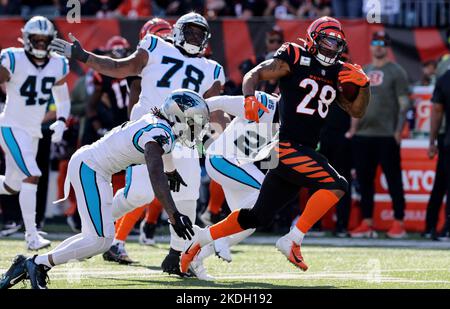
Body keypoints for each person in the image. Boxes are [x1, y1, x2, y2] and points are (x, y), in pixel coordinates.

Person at [181, 16, 370, 273]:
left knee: (255, 216)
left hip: (294, 151)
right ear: (314, 39)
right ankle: (293, 238)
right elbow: (255, 73)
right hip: (288, 147)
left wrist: (364, 86)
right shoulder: (294, 56)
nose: (330, 48)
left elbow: (356, 111)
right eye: (326, 41)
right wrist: (248, 98)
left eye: (336, 44)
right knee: (337, 184)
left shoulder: (338, 71)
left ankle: (200, 240)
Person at [48, 12, 226, 277]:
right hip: (149, 132)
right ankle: (100, 220)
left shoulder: (213, 69)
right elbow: (119, 68)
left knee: (188, 198)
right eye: (190, 31)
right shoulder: (154, 45)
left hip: (184, 139)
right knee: (139, 195)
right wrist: (84, 56)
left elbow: (214, 112)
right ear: (177, 31)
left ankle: (179, 257)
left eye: (200, 34)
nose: (194, 38)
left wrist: (228, 139)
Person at [0, 89, 207, 289]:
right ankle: (36, 264)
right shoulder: (160, 132)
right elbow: (155, 171)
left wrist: (170, 172)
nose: (196, 127)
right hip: (90, 168)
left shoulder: (160, 126)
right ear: (178, 116)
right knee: (100, 239)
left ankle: (35, 263)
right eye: (194, 121)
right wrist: (173, 214)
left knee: (97, 238)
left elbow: (163, 155)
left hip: (95, 168)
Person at [102, 17, 173, 264]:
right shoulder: (147, 58)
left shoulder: (180, 61)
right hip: (147, 131)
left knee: (174, 191)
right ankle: (106, 229)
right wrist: (136, 126)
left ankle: (182, 251)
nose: (167, 43)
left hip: (170, 133)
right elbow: (134, 92)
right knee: (141, 192)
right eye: (162, 38)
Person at [189, 91, 278, 280]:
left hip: (238, 164)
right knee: (265, 196)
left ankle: (196, 256)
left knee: (249, 222)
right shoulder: (266, 104)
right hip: (221, 158)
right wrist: (193, 123)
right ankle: (217, 235)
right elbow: (219, 101)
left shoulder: (292, 124)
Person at [0, 16, 71, 250]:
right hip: (11, 126)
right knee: (32, 173)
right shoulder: (12, 58)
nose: (40, 44)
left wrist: (62, 120)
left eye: (45, 40)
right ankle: (31, 236)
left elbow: (62, 97)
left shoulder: (58, 63)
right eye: (36, 39)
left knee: (13, 185)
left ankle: (31, 233)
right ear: (27, 39)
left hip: (33, 132)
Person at [349, 31, 410, 239]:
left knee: (394, 180)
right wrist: (353, 129)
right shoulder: (364, 70)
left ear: (387, 47)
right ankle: (367, 223)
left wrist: (398, 130)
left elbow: (404, 103)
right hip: (364, 135)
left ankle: (399, 222)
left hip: (386, 135)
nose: (378, 46)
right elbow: (357, 103)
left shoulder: (396, 71)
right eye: (375, 42)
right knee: (365, 181)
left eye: (382, 43)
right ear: (370, 45)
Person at [428, 69, 450, 240]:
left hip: (447, 140)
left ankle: (432, 227)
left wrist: (432, 141)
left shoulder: (445, 78)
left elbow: (437, 110)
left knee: (441, 185)